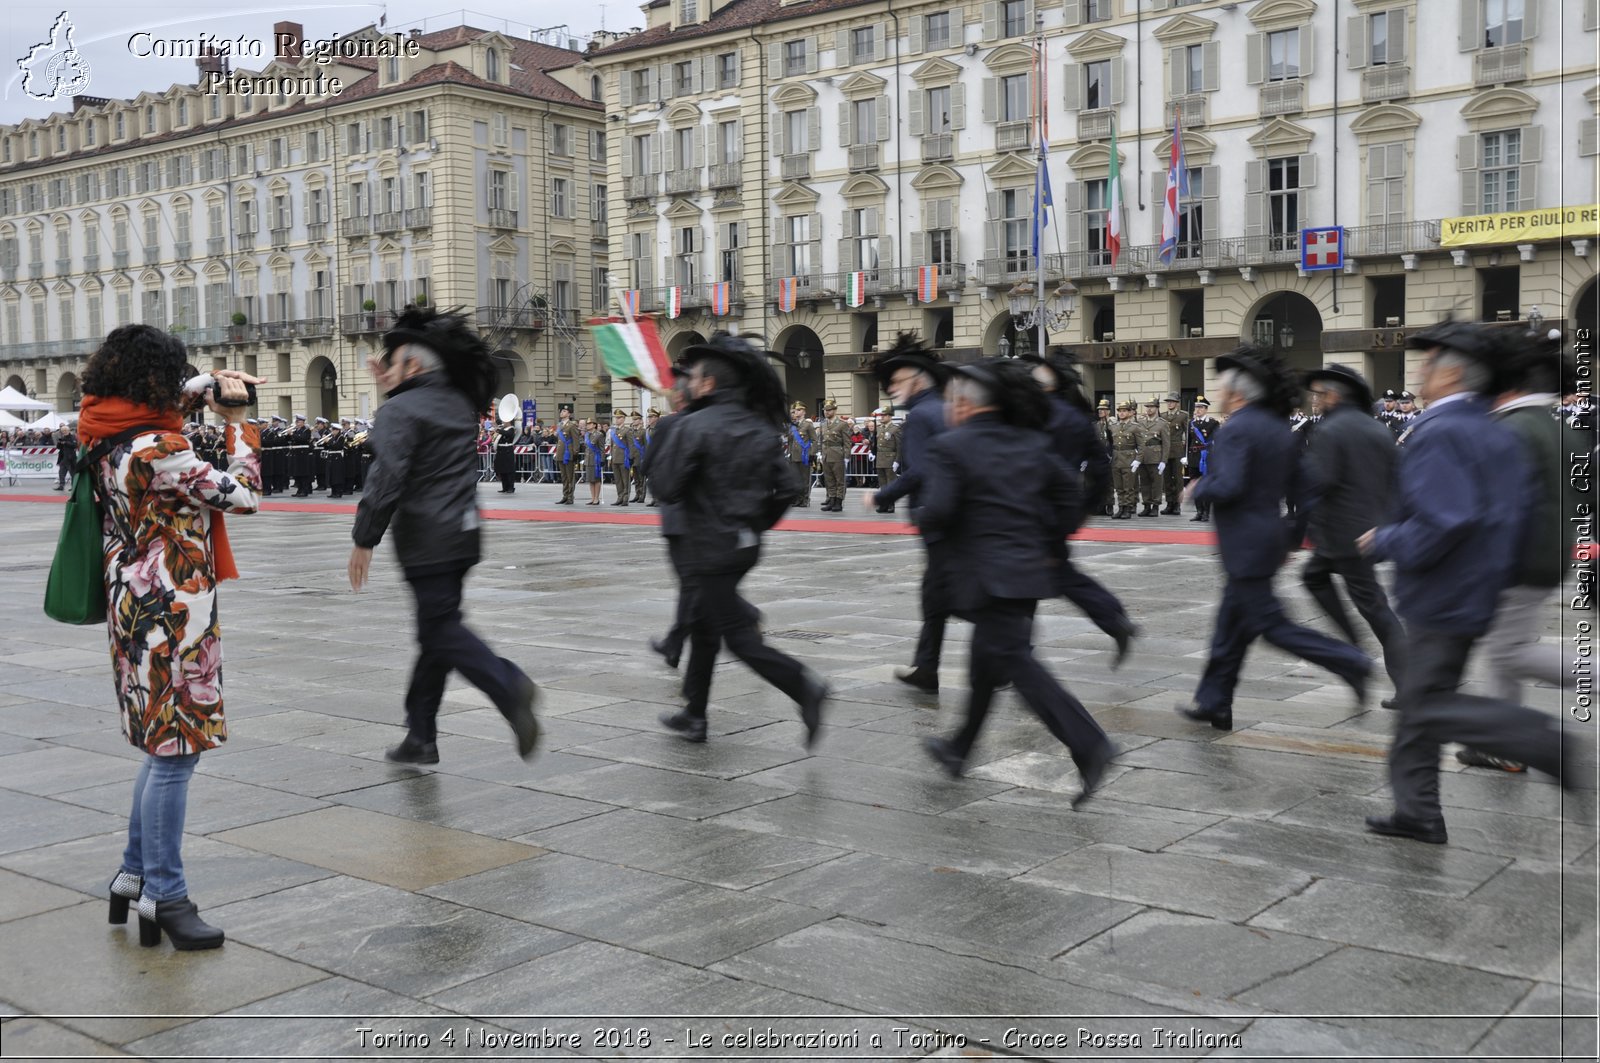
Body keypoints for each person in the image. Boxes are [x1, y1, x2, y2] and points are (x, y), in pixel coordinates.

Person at [80, 324, 265, 951]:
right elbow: (245, 495)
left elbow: (170, 404)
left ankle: (133, 876)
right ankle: (167, 892)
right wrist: (239, 423)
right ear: (155, 378)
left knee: (161, 748)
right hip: (174, 614)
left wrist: (210, 385)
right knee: (177, 753)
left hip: (132, 607)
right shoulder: (158, 448)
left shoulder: (105, 431)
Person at [1356, 322, 1571, 843]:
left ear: (1451, 373)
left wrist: (1384, 540)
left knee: (1427, 704)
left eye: (1428, 362)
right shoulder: (1489, 424)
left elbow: (1444, 521)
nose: (1420, 372)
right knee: (1420, 706)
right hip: (1473, 585)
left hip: (1444, 591)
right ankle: (1418, 811)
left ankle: (1534, 739)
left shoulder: (1444, 429)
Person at [918, 359, 1117, 805]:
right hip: (1029, 572)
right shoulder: (1030, 442)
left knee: (1015, 662)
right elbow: (1068, 493)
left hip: (985, 577)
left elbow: (939, 512)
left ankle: (1090, 744)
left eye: (953, 399)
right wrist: (1050, 539)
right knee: (986, 666)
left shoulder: (952, 446)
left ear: (966, 405)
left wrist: (928, 519)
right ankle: (959, 748)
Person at [348, 307, 540, 766]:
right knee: (434, 632)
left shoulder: (400, 409)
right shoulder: (455, 401)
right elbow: (416, 409)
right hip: (463, 534)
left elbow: (388, 475)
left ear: (412, 366)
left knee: (441, 631)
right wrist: (393, 384)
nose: (385, 371)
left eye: (391, 363)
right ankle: (420, 735)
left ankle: (509, 686)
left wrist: (364, 538)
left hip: (426, 539)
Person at [1176, 345, 1372, 731]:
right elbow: (1307, 489)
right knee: (1229, 628)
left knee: (1273, 626)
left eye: (1221, 385)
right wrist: (1291, 537)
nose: (1217, 391)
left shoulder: (1236, 428)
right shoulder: (1277, 428)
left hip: (1245, 544)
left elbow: (1229, 485)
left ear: (1237, 392)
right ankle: (1214, 701)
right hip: (1265, 539)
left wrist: (1199, 487)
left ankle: (1351, 661)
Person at [644, 334, 828, 745]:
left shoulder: (692, 425)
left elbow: (667, 487)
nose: (686, 383)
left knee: (736, 637)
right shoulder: (758, 425)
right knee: (707, 627)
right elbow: (788, 487)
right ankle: (694, 714)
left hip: (706, 547)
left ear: (708, 383)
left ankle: (804, 686)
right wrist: (756, 521)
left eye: (691, 377)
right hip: (743, 546)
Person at [1455, 329, 1576, 772]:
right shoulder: (1558, 425)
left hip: (1518, 559)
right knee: (1507, 648)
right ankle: (1503, 747)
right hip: (1548, 555)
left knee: (1509, 653)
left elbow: (1491, 504)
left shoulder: (1512, 428)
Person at [1300, 364, 1406, 699]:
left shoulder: (1331, 430)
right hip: (1369, 531)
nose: (1316, 401)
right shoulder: (1377, 429)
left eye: (1319, 395)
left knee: (1375, 608)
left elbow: (1319, 481)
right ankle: (1358, 650)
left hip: (1341, 534)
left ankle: (1364, 656)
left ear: (1333, 396)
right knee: (1319, 578)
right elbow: (1398, 480)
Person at [1027, 352, 1137, 666]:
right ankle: (1113, 617)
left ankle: (1015, 654)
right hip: (1062, 506)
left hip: (1036, 506)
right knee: (1057, 572)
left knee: (1031, 576)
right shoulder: (1077, 417)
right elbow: (1100, 465)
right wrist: (1087, 505)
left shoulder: (1039, 413)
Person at [864, 334, 950, 692]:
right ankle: (926, 667)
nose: (891, 389)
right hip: (956, 512)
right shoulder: (948, 407)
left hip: (937, 515)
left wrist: (882, 495)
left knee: (945, 596)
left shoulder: (920, 416)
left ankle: (1012, 656)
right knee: (939, 595)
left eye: (897, 381)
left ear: (917, 378)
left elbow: (919, 470)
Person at [1134, 398, 1168, 517]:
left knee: (1156, 483)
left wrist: (1163, 460)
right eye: (1147, 407)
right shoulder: (1141, 422)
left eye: (1151, 407)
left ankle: (1155, 506)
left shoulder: (1162, 423)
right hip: (1143, 457)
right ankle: (1146, 505)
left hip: (1156, 457)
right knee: (1144, 483)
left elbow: (1166, 444)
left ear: (1157, 408)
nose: (1149, 409)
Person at [1108, 399, 1141, 520]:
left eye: (1124, 411)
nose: (1121, 413)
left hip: (1129, 458)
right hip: (1116, 458)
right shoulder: (1113, 427)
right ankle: (1121, 507)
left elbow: (1141, 446)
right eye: (1120, 411)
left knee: (1128, 486)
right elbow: (1111, 443)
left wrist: (1137, 460)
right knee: (1119, 486)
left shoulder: (1135, 427)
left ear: (1129, 412)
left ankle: (1127, 508)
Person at [1186, 397, 1218, 522]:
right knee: (1195, 484)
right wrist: (1186, 456)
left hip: (1206, 457)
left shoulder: (1212, 423)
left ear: (1206, 409)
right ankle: (1199, 511)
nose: (1197, 410)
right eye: (1196, 407)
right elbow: (1189, 441)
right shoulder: (1191, 423)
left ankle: (1206, 512)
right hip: (1194, 457)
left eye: (1200, 407)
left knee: (1206, 485)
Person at [817, 400, 853, 512]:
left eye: (829, 410)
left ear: (835, 410)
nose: (826, 412)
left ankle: (839, 502)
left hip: (838, 455)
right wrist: (820, 453)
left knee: (839, 480)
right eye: (825, 410)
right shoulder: (823, 424)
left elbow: (847, 442)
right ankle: (831, 501)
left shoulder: (842, 424)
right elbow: (821, 440)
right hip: (826, 455)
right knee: (829, 480)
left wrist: (847, 457)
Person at [1159, 392, 1190, 515]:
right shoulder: (1162, 416)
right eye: (1168, 401)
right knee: (1167, 479)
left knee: (1178, 479)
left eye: (1172, 401)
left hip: (1177, 450)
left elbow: (1188, 435)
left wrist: (1186, 454)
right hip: (1165, 451)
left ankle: (1177, 504)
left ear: (1177, 403)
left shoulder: (1183, 415)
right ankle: (1169, 503)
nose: (1169, 403)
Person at [785, 402, 817, 507]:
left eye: (799, 410)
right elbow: (790, 441)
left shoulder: (808, 424)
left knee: (805, 479)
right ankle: (798, 499)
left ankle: (805, 499)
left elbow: (814, 440)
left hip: (804, 456)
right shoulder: (793, 425)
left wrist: (812, 453)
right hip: (794, 456)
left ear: (804, 411)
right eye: (795, 411)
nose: (796, 412)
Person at [552, 407, 583, 505]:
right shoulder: (560, 425)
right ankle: (565, 495)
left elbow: (576, 440)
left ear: (569, 414)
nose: (562, 412)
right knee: (563, 476)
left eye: (564, 411)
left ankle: (570, 496)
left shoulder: (572, 425)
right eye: (561, 411)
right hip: (561, 453)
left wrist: (575, 453)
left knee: (570, 476)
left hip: (568, 453)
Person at [873, 408, 900, 513]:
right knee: (883, 484)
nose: (882, 417)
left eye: (884, 415)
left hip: (890, 458)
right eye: (881, 415)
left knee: (891, 484)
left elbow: (899, 446)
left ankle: (891, 504)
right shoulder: (879, 428)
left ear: (890, 416)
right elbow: (876, 444)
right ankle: (883, 504)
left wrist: (897, 461)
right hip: (880, 458)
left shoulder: (895, 429)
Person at [607, 409, 633, 505]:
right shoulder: (614, 431)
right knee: (617, 479)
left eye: (619, 418)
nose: (617, 420)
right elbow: (612, 445)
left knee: (625, 479)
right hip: (615, 458)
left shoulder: (627, 430)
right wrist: (611, 457)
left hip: (624, 458)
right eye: (616, 418)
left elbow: (631, 445)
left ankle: (625, 498)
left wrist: (631, 457)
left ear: (623, 419)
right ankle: (619, 497)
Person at [492, 415, 517, 494]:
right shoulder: (503, 428)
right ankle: (505, 487)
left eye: (504, 421)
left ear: (508, 422)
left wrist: (497, 429)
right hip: (501, 451)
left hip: (507, 451)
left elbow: (507, 434)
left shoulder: (511, 429)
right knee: (502, 470)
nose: (503, 422)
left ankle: (510, 487)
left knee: (509, 470)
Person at [583, 418, 605, 505]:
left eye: (589, 423)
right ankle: (592, 498)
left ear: (594, 425)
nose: (587, 425)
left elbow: (602, 448)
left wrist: (602, 459)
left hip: (596, 459)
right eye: (587, 424)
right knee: (590, 480)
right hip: (588, 459)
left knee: (596, 479)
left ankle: (596, 498)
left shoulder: (599, 435)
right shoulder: (587, 435)